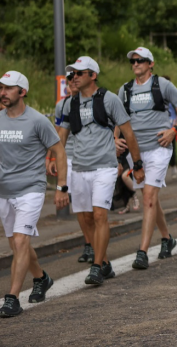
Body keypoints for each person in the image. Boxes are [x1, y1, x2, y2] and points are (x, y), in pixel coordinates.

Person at [57, 57, 144, 286]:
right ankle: (104, 262)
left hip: (104, 167)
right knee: (86, 218)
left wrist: (137, 165)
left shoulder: (109, 99)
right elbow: (60, 139)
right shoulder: (69, 104)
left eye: (79, 73)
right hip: (79, 168)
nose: (74, 77)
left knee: (99, 215)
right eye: (72, 74)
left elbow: (129, 134)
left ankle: (96, 267)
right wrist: (55, 164)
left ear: (92, 75)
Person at [117, 47, 177, 270]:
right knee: (152, 199)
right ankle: (167, 238)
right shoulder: (125, 89)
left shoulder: (163, 85)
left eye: (140, 60)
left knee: (149, 196)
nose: (135, 64)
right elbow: (118, 118)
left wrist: (174, 130)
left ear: (151, 64)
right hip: (135, 153)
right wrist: (115, 139)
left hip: (159, 148)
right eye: (132, 61)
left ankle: (142, 252)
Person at [0, 71, 69, 317]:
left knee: (20, 242)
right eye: (1, 88)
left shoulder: (38, 120)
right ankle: (41, 278)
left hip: (30, 189)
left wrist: (62, 187)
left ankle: (12, 298)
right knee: (18, 245)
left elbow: (59, 151)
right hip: (4, 192)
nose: (3, 92)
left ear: (22, 92)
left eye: (8, 88)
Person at [51, 72, 95, 263]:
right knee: (79, 205)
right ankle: (89, 244)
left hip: (92, 158)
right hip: (69, 158)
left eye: (75, 77)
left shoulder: (95, 101)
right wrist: (52, 157)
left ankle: (97, 242)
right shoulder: (62, 105)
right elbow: (56, 133)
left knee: (94, 208)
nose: (72, 81)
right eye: (69, 79)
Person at [163, 75, 177, 180]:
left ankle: (173, 167)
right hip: (160, 127)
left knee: (171, 148)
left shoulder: (173, 96)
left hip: (171, 127)